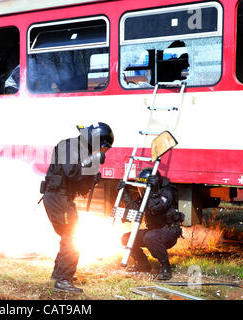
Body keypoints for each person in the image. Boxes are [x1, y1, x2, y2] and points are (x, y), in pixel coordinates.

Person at [41, 122, 114, 293]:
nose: (100, 152)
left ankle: (59, 273)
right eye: (102, 147)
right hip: (58, 197)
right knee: (72, 237)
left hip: (60, 198)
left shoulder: (80, 149)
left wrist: (90, 179)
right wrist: (94, 161)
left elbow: (79, 183)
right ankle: (63, 280)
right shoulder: (70, 146)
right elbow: (72, 171)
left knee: (68, 235)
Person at [118, 168, 184, 280]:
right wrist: (125, 194)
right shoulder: (146, 194)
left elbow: (157, 208)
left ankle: (165, 267)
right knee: (126, 238)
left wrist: (155, 192)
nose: (141, 190)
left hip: (168, 231)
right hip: (154, 231)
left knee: (150, 237)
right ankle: (143, 264)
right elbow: (135, 210)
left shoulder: (167, 192)